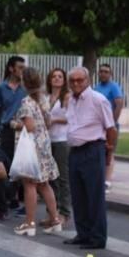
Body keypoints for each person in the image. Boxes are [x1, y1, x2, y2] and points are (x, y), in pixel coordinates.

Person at [64, 66, 117, 250]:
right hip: (75, 151)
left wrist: (109, 152)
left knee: (94, 195)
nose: (76, 84)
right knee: (78, 195)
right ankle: (83, 232)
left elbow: (111, 128)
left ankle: (97, 237)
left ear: (87, 81)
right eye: (73, 81)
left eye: (80, 80)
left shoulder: (98, 100)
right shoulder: (71, 100)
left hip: (93, 148)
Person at [10, 67, 62, 236]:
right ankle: (55, 219)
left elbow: (30, 126)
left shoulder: (27, 102)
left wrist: (15, 124)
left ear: (25, 82)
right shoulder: (43, 100)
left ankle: (29, 222)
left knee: (29, 184)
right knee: (44, 184)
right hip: (44, 145)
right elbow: (47, 123)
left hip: (31, 147)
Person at [0, 56, 26, 211]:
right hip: (7, 129)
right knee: (7, 163)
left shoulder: (25, 88)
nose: (22, 70)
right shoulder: (1, 88)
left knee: (20, 165)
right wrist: (6, 119)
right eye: (19, 67)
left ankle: (16, 196)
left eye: (23, 67)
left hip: (23, 130)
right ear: (11, 68)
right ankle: (7, 197)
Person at [47, 67, 72, 226]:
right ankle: (52, 213)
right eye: (54, 76)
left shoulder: (67, 97)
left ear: (64, 80)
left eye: (60, 76)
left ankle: (64, 213)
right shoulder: (46, 97)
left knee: (63, 177)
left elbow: (71, 118)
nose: (56, 79)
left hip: (62, 140)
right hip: (48, 140)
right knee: (51, 178)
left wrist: (54, 120)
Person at [94, 63, 124, 189]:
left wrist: (111, 123)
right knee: (99, 151)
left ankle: (107, 181)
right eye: (101, 71)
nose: (103, 74)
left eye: (106, 72)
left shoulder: (114, 86)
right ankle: (99, 178)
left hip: (110, 126)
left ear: (110, 74)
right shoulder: (96, 87)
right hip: (98, 126)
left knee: (109, 152)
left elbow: (119, 105)